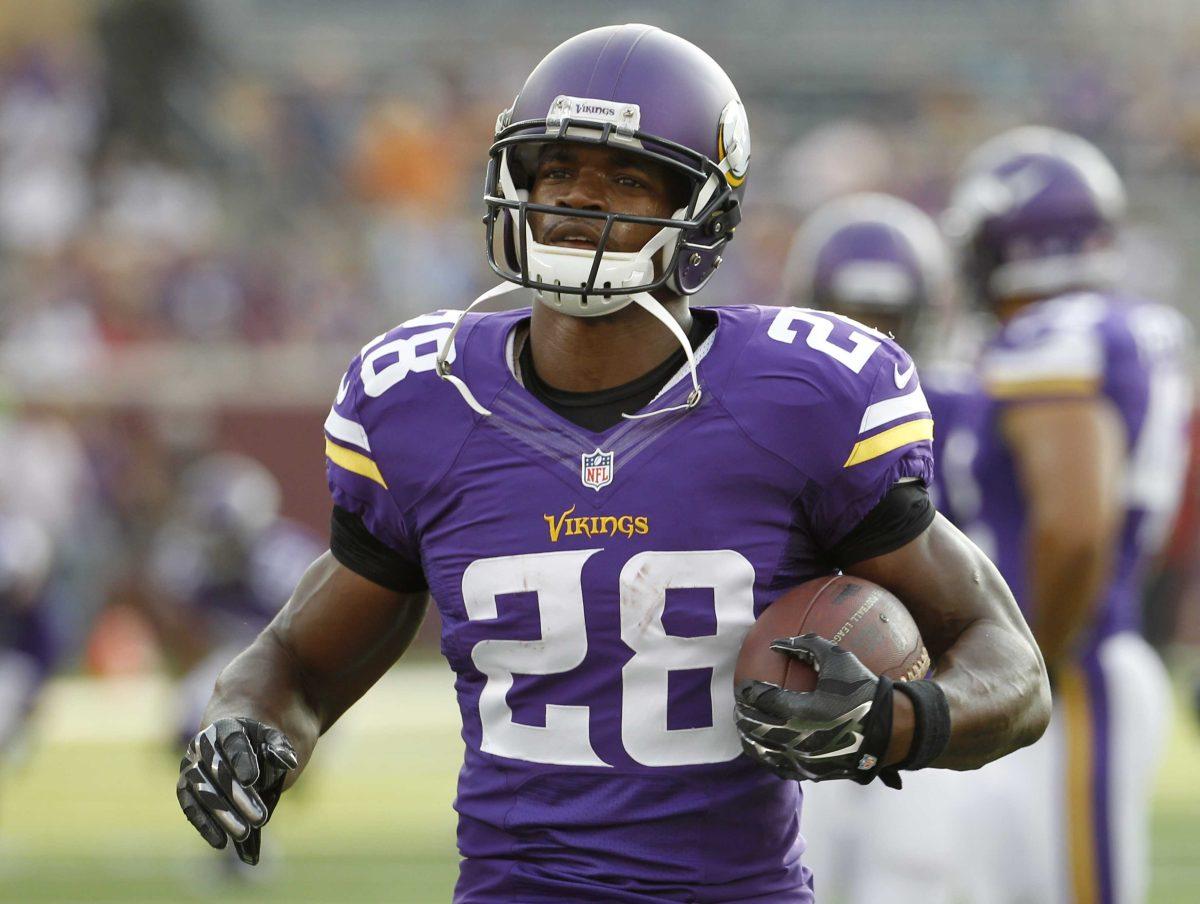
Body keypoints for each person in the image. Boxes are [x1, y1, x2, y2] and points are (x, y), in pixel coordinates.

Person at [175, 25, 1050, 903]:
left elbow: (1009, 665)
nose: (575, 201)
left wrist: (897, 721)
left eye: (625, 178)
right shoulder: (426, 402)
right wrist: (243, 728)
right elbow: (295, 660)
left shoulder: (800, 400)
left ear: (703, 212)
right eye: (556, 170)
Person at [937, 126, 1191, 904]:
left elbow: (1076, 525)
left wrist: (1026, 661)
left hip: (1069, 661)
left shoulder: (1057, 335)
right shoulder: (1128, 326)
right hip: (1083, 650)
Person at [779, 192, 993, 903]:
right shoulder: (772, 409)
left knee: (913, 871)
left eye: (889, 322)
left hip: (917, 677)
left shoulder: (963, 408)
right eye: (851, 317)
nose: (870, 338)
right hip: (800, 682)